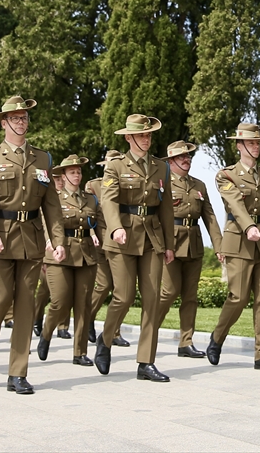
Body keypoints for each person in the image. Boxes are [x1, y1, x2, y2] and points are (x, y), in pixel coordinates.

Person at [0, 96, 67, 395]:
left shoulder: (43, 159)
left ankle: (17, 373)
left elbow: (52, 206)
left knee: (25, 305)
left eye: (24, 117)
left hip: (30, 239)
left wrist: (58, 240)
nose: (21, 121)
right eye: (15, 118)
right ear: (4, 123)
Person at [94, 114, 175, 382]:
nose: (146, 139)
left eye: (149, 135)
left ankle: (145, 362)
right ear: (129, 138)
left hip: (152, 238)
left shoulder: (161, 168)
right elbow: (108, 199)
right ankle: (105, 339)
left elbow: (165, 208)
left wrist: (169, 245)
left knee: (152, 300)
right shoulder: (115, 166)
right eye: (141, 135)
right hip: (123, 236)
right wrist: (115, 226)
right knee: (124, 296)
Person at [206, 124, 260, 371]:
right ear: (239, 146)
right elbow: (235, 204)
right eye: (251, 143)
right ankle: (217, 338)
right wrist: (249, 226)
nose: (255, 146)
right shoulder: (226, 175)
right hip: (239, 240)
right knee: (237, 298)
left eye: (258, 143)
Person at [157, 140, 222, 359]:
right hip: (171, 244)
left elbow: (209, 217)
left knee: (190, 297)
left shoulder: (199, 186)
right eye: (182, 157)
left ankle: (186, 342)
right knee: (169, 291)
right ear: (171, 161)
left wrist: (219, 246)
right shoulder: (163, 184)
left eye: (189, 157)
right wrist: (163, 245)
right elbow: (157, 217)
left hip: (193, 244)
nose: (187, 160)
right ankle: (150, 332)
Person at [36, 155, 100, 366]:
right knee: (60, 301)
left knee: (83, 304)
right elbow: (46, 222)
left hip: (85, 254)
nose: (76, 175)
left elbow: (98, 223)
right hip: (59, 254)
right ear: (63, 176)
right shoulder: (54, 197)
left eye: (79, 171)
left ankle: (79, 352)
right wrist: (49, 241)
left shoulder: (90, 198)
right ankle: (46, 333)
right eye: (72, 171)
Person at [86, 151, 130, 349]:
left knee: (121, 290)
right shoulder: (93, 185)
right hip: (99, 240)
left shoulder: (125, 183)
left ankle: (114, 332)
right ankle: (88, 318)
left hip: (119, 241)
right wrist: (92, 234)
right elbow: (86, 213)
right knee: (103, 285)